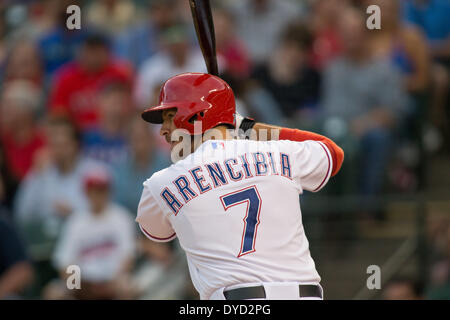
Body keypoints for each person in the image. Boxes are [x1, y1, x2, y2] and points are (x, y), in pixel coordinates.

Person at [136, 72, 344, 300]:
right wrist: (244, 127)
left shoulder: (161, 183)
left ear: (197, 115)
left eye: (169, 117)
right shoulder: (279, 151)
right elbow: (332, 152)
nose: (163, 130)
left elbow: (157, 232)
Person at [50, 169, 136, 300]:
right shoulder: (75, 221)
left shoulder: (121, 217)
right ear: (86, 192)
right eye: (93, 190)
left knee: (128, 288)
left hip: (113, 280)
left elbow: (128, 256)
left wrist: (114, 280)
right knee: (54, 292)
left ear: (109, 192)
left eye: (101, 190)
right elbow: (65, 261)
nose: (97, 195)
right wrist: (78, 286)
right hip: (84, 281)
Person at [49, 32, 133, 131]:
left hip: (116, 131)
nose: (93, 57)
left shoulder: (119, 73)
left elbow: (131, 106)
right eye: (90, 51)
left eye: (97, 51)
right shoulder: (66, 77)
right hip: (78, 136)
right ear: (81, 52)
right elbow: (59, 113)